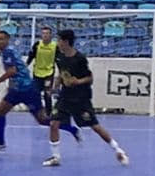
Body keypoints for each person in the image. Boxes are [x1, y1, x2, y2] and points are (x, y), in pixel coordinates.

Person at [0, 28, 75, 151]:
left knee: (42, 120)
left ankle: (70, 128)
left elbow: (12, 71)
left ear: (8, 40)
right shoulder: (8, 51)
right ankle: (0, 141)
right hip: (17, 90)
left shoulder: (8, 52)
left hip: (26, 89)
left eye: (1, 39)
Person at [44, 29, 126, 167]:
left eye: (58, 40)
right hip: (65, 97)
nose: (57, 43)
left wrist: (78, 82)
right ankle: (55, 157)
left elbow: (90, 77)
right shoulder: (59, 56)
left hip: (81, 99)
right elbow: (61, 73)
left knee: (95, 126)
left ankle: (117, 149)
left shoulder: (79, 59)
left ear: (65, 41)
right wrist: (55, 88)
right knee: (53, 124)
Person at [28, 24, 59, 117]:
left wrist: (62, 70)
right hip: (37, 72)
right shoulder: (37, 45)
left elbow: (58, 60)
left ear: (51, 35)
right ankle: (38, 111)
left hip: (48, 73)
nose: (45, 35)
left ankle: (49, 113)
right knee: (36, 93)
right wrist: (25, 66)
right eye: (43, 33)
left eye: (47, 33)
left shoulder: (55, 46)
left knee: (47, 93)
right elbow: (31, 56)